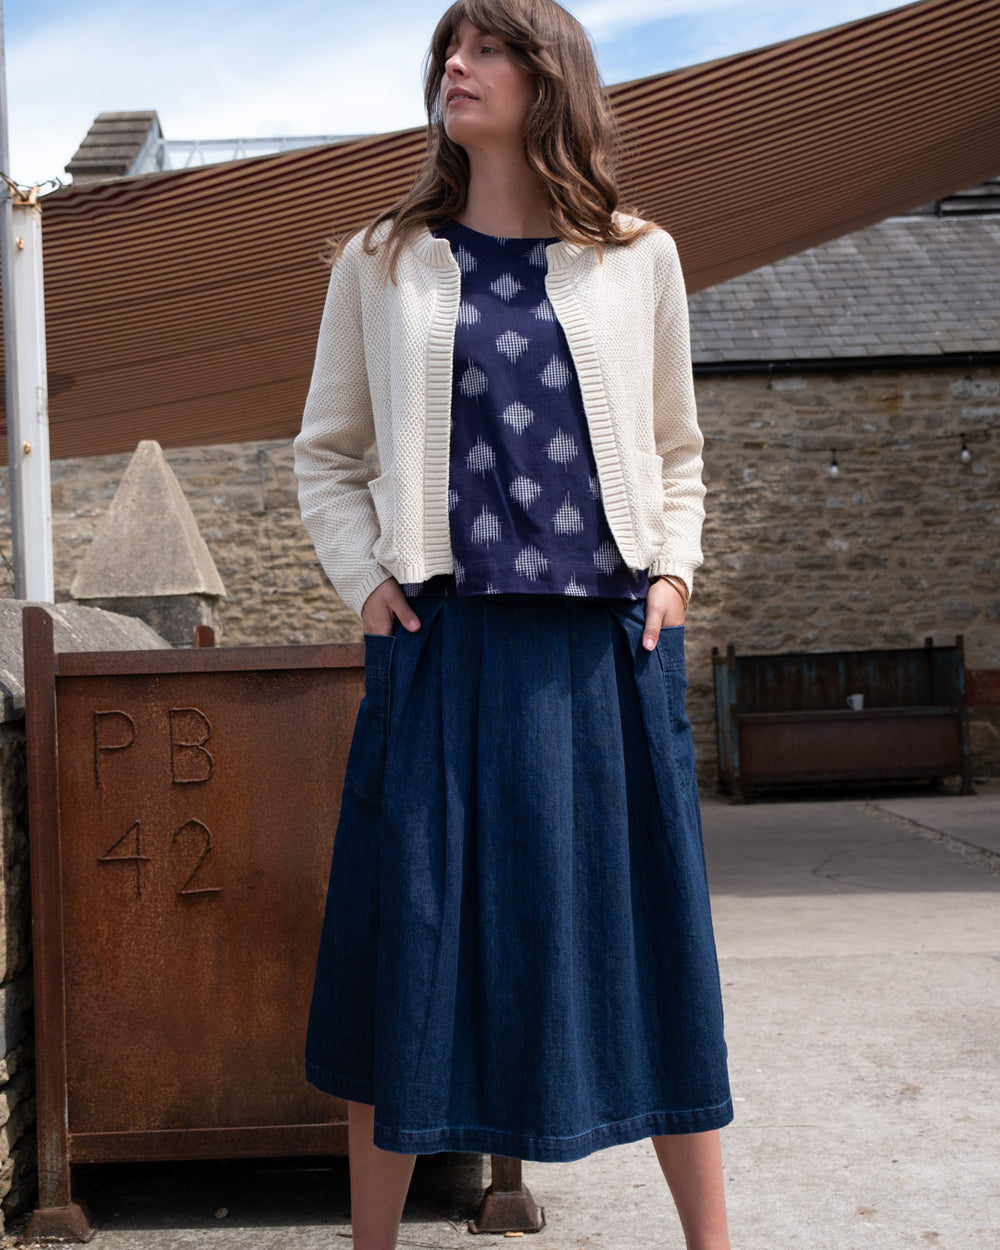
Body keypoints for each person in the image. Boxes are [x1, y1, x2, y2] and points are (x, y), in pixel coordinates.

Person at [293, 2, 733, 1247]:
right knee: (409, 946)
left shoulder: (640, 254)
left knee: (648, 949)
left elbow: (678, 448)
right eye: (450, 48)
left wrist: (673, 577)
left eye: (487, 48)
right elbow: (326, 453)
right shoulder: (381, 258)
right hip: (440, 646)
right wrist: (362, 580)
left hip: (606, 650)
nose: (456, 65)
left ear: (551, 79)